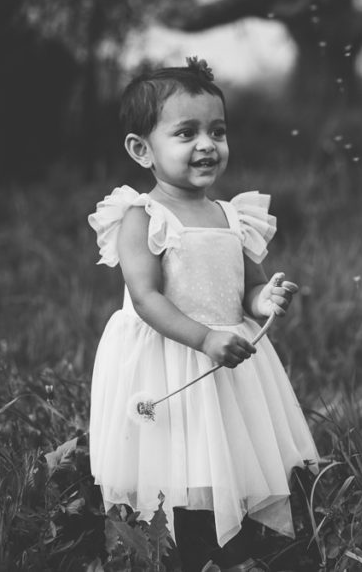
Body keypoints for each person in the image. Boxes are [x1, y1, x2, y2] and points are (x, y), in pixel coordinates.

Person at [88, 58, 318, 572]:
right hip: (169, 351)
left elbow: (248, 293)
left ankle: (230, 539)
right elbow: (147, 299)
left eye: (217, 131)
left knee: (227, 443)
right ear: (140, 149)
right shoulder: (140, 216)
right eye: (186, 133)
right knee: (177, 451)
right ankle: (179, 541)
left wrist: (267, 301)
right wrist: (204, 339)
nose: (207, 145)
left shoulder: (233, 215)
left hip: (226, 356)